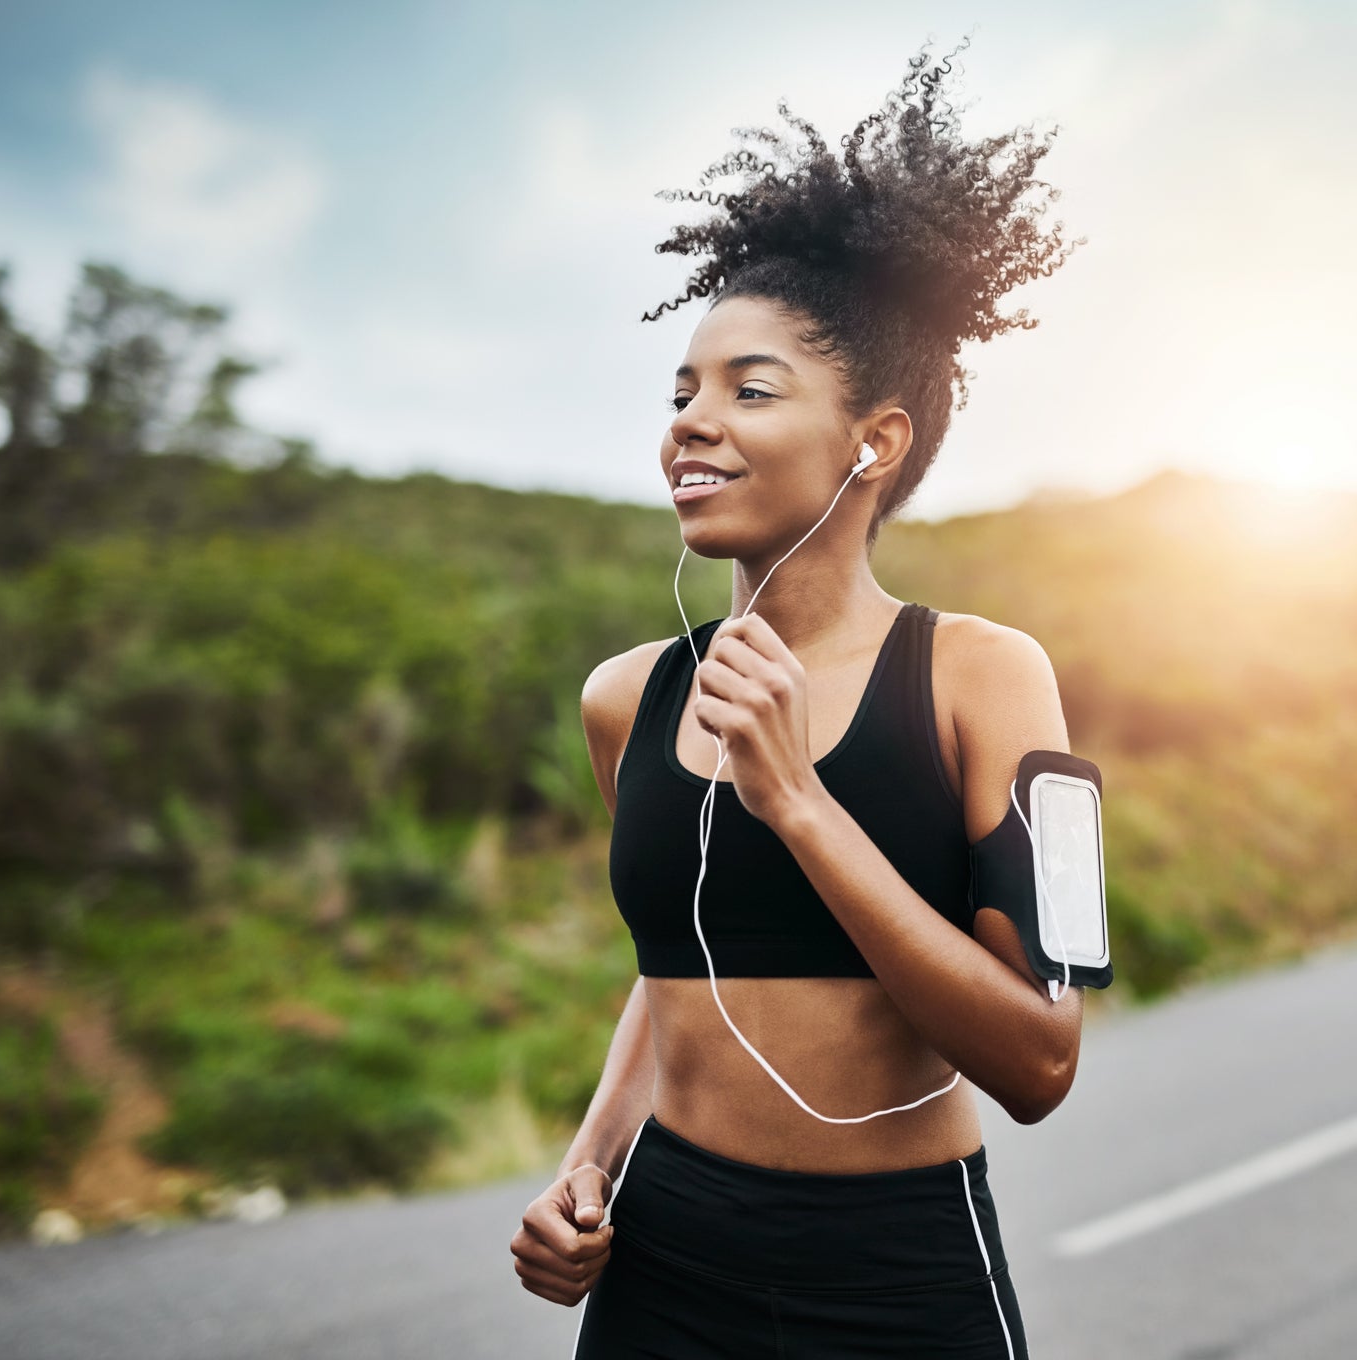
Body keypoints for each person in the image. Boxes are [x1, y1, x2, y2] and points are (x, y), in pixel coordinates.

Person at [508, 37, 1087, 1358]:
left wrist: (798, 803)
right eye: (682, 391)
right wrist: (589, 1166)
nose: (689, 423)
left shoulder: (985, 676)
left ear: (872, 439)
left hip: (896, 1269)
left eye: (748, 389)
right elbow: (676, 977)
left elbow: (1040, 1064)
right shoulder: (626, 699)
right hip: (662, 1258)